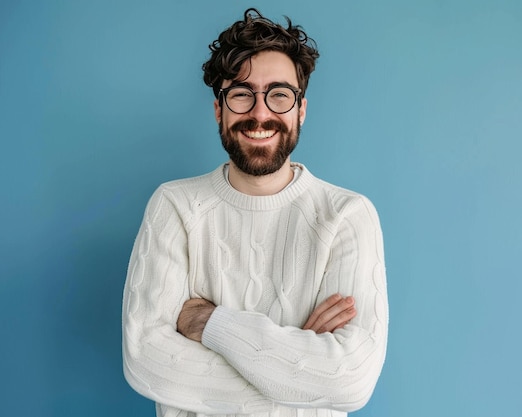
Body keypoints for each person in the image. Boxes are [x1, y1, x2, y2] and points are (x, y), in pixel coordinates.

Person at [122, 8, 388, 417]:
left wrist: (208, 323)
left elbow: (350, 380)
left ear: (300, 110)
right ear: (219, 110)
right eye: (242, 94)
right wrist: (296, 366)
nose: (260, 114)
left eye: (279, 94)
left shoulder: (347, 215)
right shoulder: (174, 206)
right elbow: (146, 361)